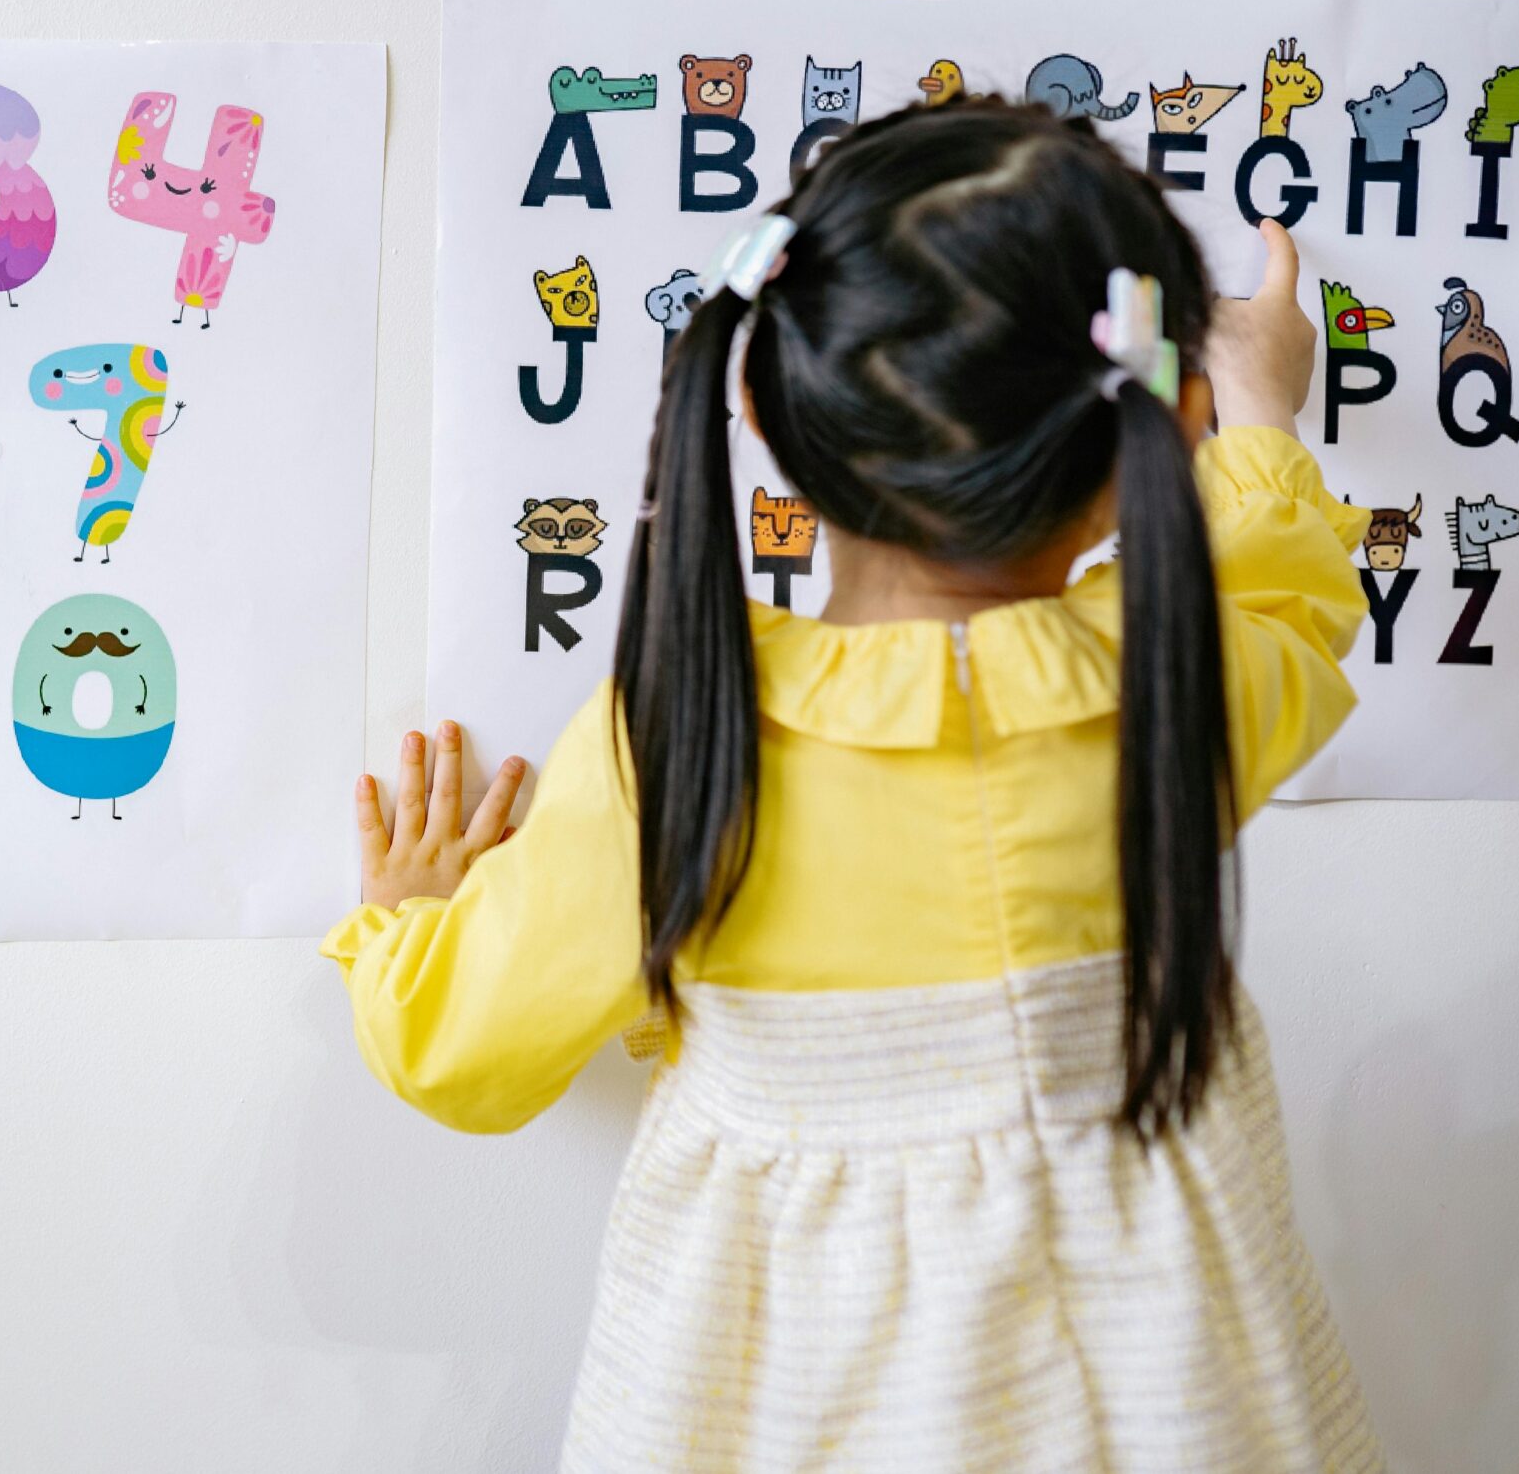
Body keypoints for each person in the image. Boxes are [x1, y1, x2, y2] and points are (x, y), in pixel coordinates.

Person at [324, 100, 1383, 1469]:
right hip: (1170, 1404)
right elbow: (1289, 595)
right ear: (1150, 433)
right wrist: (1259, 410)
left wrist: (406, 927)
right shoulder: (1178, 684)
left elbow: (456, 1049)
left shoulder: (685, 740)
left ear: (761, 404)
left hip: (789, 1408)